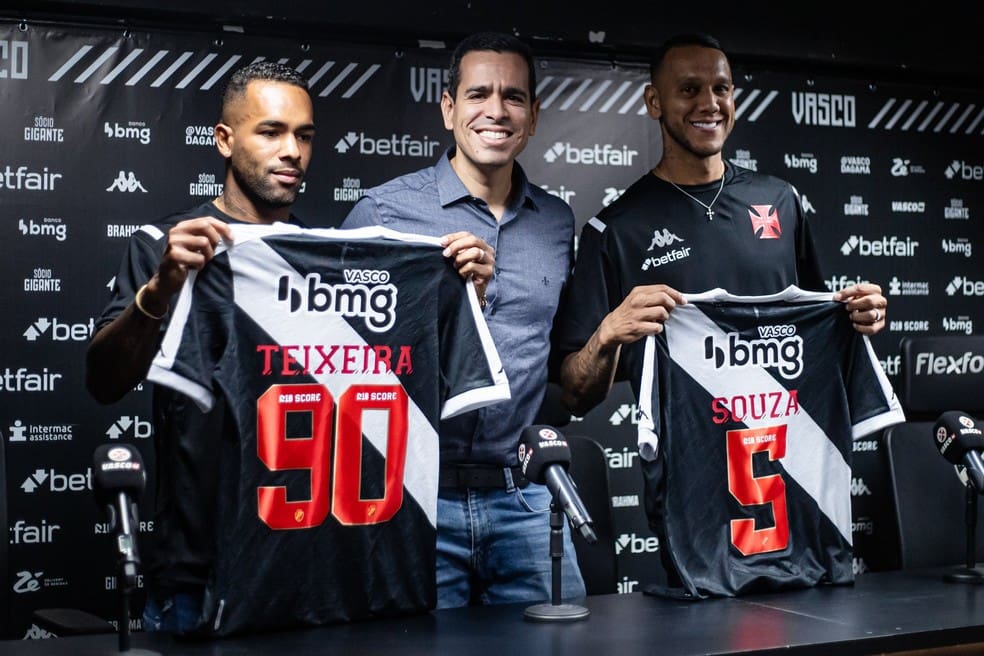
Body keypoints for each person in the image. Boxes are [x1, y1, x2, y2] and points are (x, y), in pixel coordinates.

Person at [84, 61, 499, 633]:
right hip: (201, 576)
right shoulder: (166, 247)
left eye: (304, 135)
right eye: (271, 132)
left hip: (322, 569)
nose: (292, 151)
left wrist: (459, 294)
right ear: (225, 140)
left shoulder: (332, 262)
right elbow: (104, 381)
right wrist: (160, 291)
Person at [553, 34, 897, 598]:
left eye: (721, 88)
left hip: (797, 480)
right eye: (688, 89)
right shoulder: (616, 228)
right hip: (696, 500)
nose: (709, 103)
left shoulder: (781, 201)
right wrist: (610, 332)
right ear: (653, 102)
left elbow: (820, 328)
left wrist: (858, 313)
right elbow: (575, 393)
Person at [341, 31, 586, 608]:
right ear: (449, 108)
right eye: (478, 94)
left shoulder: (556, 222)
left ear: (533, 115)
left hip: (524, 497)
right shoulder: (381, 211)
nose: (495, 111)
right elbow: (343, 359)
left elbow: (556, 364)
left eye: (514, 97)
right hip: (416, 499)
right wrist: (447, 305)